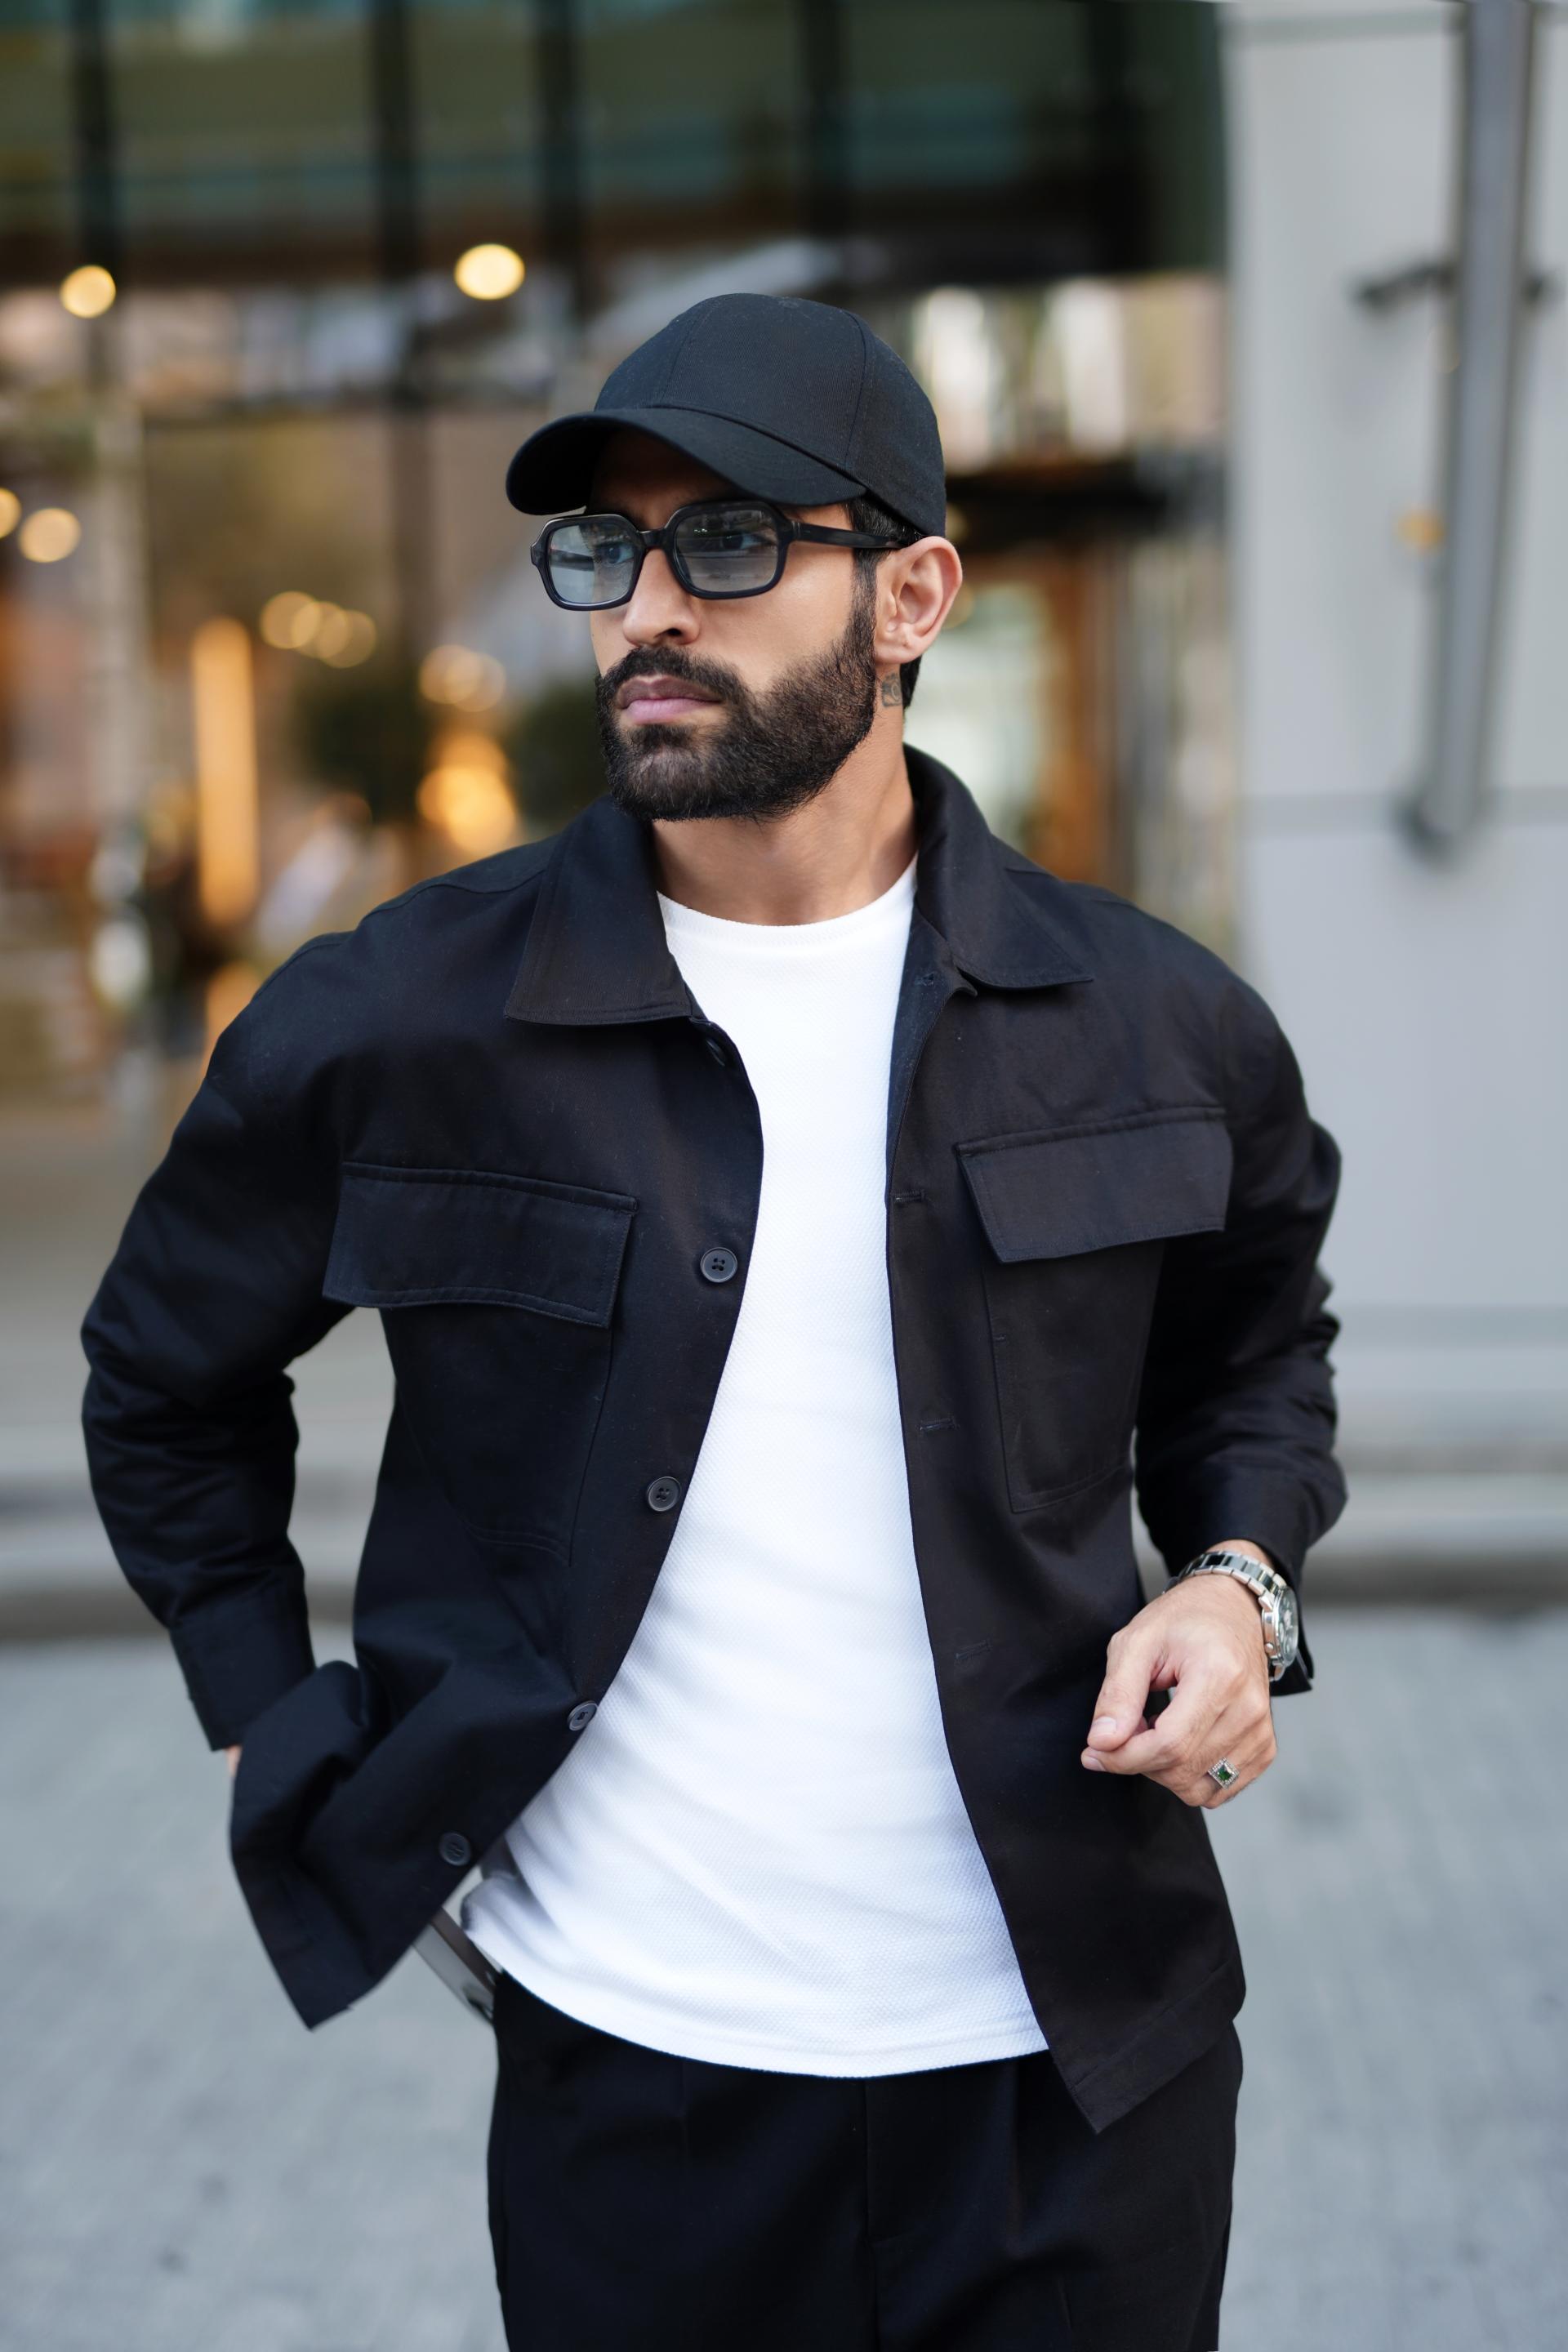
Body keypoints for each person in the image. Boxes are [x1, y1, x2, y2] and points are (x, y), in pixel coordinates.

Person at [81, 293, 1346, 2352]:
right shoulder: (405, 1020)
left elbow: (1259, 1358)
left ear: (913, 596)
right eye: (610, 549)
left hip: (1075, 2085)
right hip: (638, 2090)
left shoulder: (1152, 1025)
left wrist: (1237, 1585)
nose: (651, 607)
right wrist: (268, 1712)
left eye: (733, 540)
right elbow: (162, 1378)